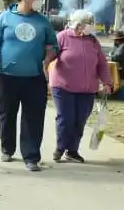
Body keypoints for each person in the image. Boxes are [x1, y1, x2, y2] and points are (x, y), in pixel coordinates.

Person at [0, 0, 57, 172]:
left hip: (34, 77)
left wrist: (48, 57)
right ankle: (7, 148)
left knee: (33, 117)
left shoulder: (42, 21)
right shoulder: (5, 18)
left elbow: (53, 45)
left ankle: (31, 156)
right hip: (7, 76)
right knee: (7, 114)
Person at [48, 10, 113, 163]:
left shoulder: (93, 41)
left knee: (80, 120)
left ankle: (72, 150)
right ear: (78, 25)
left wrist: (107, 82)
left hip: (87, 89)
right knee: (65, 118)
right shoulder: (62, 37)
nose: (91, 26)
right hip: (63, 87)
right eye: (88, 23)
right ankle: (60, 147)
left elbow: (102, 64)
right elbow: (49, 58)